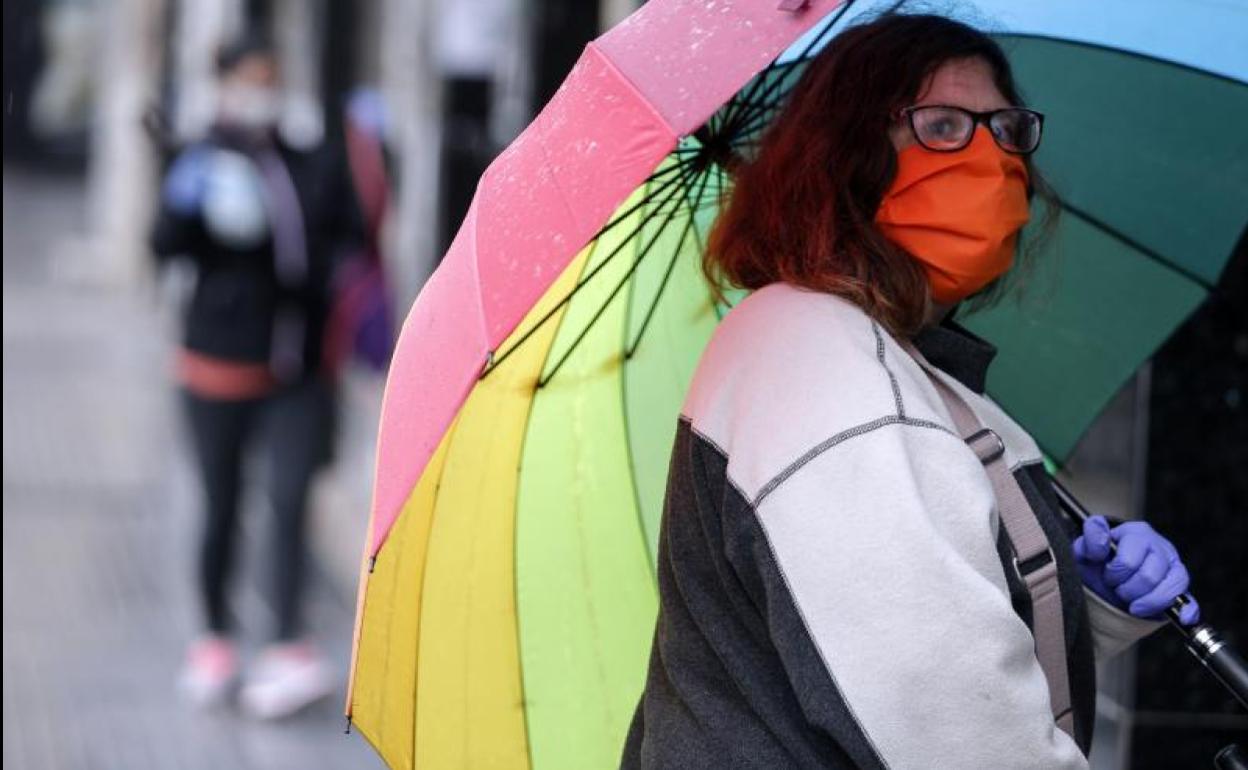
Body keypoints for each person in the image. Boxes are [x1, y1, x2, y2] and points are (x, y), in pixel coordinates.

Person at [621, 11, 1199, 769]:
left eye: (1005, 127)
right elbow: (953, 718)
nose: (989, 157)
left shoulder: (894, 359)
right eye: (943, 126)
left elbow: (893, 631)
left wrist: (1076, 593)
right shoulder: (820, 358)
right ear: (846, 155)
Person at [151, 34, 362, 719]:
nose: (259, 91)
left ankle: (284, 646)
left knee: (289, 499)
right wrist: (185, 199)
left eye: (268, 78)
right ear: (223, 83)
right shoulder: (200, 157)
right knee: (221, 503)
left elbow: (341, 237)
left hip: (294, 368)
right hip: (215, 364)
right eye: (248, 79)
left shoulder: (302, 159)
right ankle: (215, 640)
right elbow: (164, 245)